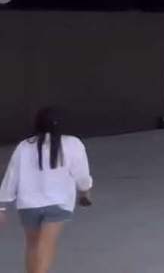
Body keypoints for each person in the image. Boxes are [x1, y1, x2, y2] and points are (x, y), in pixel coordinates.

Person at [1, 107, 93, 273]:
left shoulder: (24, 146)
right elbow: (82, 175)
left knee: (32, 246)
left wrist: (2, 205)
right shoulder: (73, 143)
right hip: (58, 204)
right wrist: (85, 191)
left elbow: (11, 176)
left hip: (28, 206)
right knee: (47, 245)